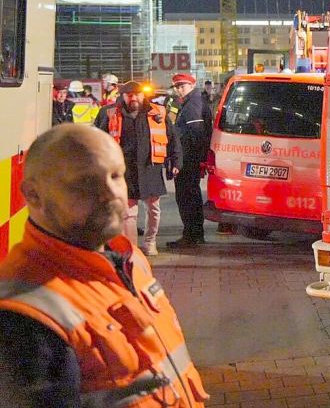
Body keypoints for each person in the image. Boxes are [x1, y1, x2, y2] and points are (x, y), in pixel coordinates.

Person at [0, 125, 208, 408]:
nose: (110, 193)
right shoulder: (21, 317)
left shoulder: (129, 259)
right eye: (86, 182)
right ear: (33, 194)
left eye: (116, 176)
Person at [94, 81, 182, 255]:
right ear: (123, 96)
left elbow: (173, 138)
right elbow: (99, 140)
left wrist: (176, 162)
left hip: (150, 168)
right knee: (129, 212)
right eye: (129, 95)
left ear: (143, 95)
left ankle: (150, 243)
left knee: (154, 209)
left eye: (137, 94)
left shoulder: (157, 113)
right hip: (126, 171)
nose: (133, 98)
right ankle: (132, 248)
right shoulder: (111, 113)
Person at [168, 74, 213, 248]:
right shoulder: (189, 101)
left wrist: (199, 159)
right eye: (177, 86)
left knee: (186, 197)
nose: (179, 89)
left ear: (192, 85)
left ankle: (191, 234)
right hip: (189, 157)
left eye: (183, 86)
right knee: (191, 196)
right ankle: (195, 234)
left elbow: (197, 133)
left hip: (188, 158)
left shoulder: (193, 103)